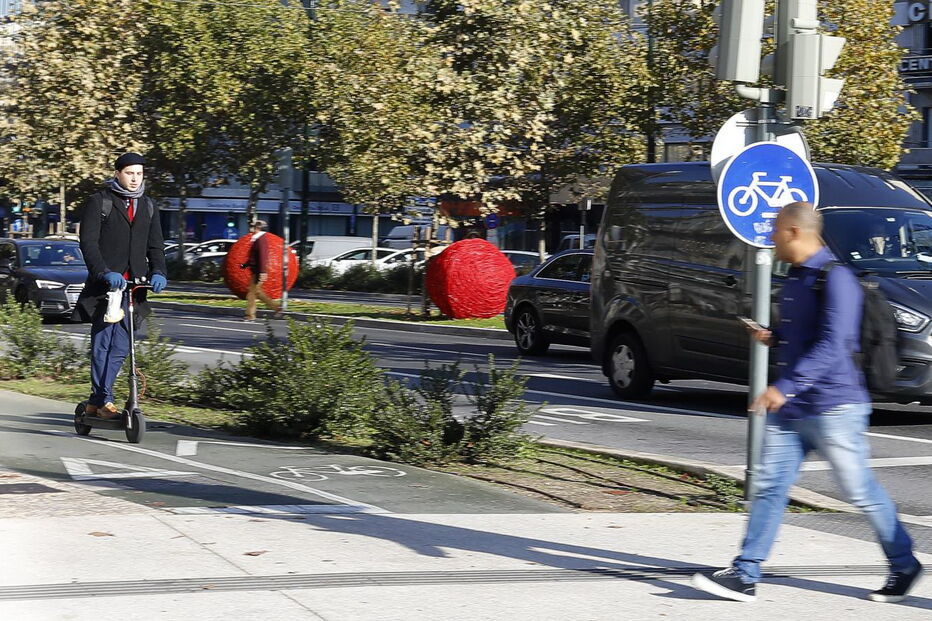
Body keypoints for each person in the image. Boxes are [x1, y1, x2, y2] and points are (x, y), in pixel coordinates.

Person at [691, 202, 922, 603]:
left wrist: (784, 387)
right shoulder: (798, 278)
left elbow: (834, 345)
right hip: (795, 408)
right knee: (769, 486)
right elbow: (807, 335)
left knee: (860, 492)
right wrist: (774, 337)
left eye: (776, 231)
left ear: (795, 232)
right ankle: (746, 572)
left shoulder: (836, 279)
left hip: (835, 407)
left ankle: (904, 563)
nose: (771, 239)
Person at [74, 153, 167, 419]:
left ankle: (97, 400)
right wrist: (104, 272)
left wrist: (159, 271)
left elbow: (155, 246)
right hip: (107, 287)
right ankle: (104, 401)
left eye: (139, 173)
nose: (135, 178)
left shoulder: (148, 206)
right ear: (117, 173)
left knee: (122, 346)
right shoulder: (99, 202)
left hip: (134, 288)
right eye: (130, 173)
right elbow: (88, 244)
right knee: (103, 344)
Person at [243, 219, 281, 321]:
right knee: (258, 292)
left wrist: (263, 272)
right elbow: (254, 257)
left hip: (259, 271)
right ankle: (277, 308)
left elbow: (263, 257)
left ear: (258, 228)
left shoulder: (261, 240)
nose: (250, 229)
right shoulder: (257, 239)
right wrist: (245, 265)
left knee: (251, 293)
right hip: (256, 271)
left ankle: (250, 315)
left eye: (252, 226)